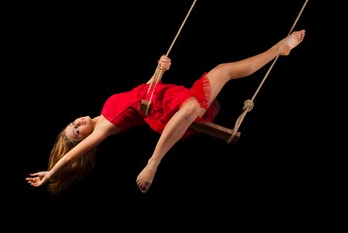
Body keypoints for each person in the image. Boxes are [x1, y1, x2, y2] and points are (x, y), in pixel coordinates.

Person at [26, 30, 306, 194]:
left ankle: (278, 49)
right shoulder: (103, 128)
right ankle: (153, 162)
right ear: (84, 138)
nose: (78, 123)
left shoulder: (104, 108)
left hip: (166, 96)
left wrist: (159, 70)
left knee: (224, 69)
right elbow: (75, 152)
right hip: (166, 113)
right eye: (77, 131)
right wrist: (51, 173)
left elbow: (144, 92)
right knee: (193, 108)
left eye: (72, 123)